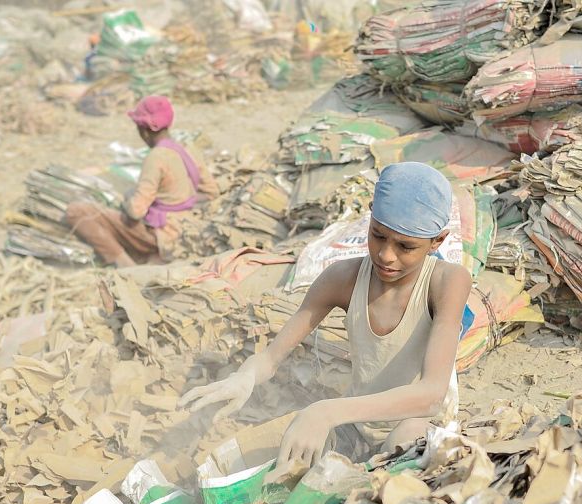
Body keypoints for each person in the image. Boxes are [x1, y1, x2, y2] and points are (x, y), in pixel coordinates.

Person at [179, 162, 472, 467]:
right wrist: (244, 377)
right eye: (378, 236)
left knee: (401, 446)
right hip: (355, 424)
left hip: (420, 427)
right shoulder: (342, 279)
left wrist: (326, 411)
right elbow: (270, 358)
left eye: (405, 246)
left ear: (437, 241)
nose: (387, 255)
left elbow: (431, 395)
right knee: (274, 463)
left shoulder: (446, 281)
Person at [65, 96, 219, 267]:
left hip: (164, 234)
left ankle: (125, 265)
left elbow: (136, 212)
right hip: (188, 227)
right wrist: (182, 200)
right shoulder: (187, 149)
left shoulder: (156, 157)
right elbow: (211, 192)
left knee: (76, 211)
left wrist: (128, 198)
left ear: (143, 130)